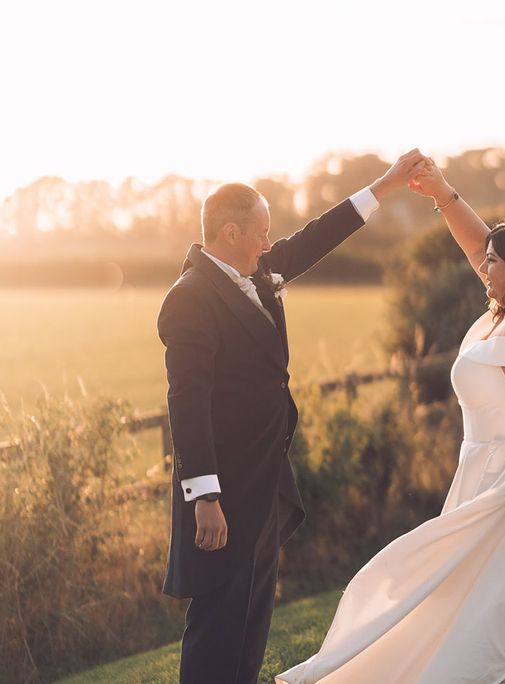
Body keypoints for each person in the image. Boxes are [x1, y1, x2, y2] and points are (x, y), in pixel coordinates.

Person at [276, 158, 505, 683]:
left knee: (503, 599)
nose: (484, 268)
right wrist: (442, 193)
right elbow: (482, 246)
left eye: (495, 264)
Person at [157, 149, 427, 684]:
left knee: (252, 620)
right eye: (261, 232)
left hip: (267, 480)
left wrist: (386, 185)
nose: (268, 242)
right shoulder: (189, 298)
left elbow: (316, 237)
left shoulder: (255, 272)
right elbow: (187, 402)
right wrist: (205, 497)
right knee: (216, 621)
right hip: (224, 489)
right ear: (231, 233)